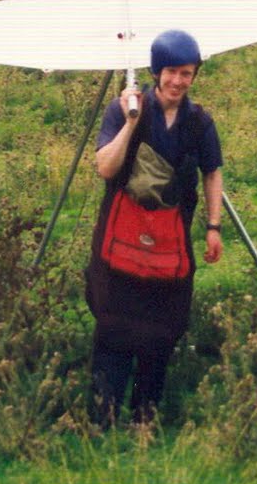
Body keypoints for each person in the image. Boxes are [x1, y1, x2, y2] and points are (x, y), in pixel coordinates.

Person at [85, 29, 223, 426]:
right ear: (157, 71)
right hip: (120, 238)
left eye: (187, 73)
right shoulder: (123, 109)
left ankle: (145, 419)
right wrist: (130, 123)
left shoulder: (198, 122)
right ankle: (102, 420)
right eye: (171, 72)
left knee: (161, 330)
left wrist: (213, 227)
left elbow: (212, 173)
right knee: (113, 327)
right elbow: (105, 168)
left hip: (171, 242)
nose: (178, 81)